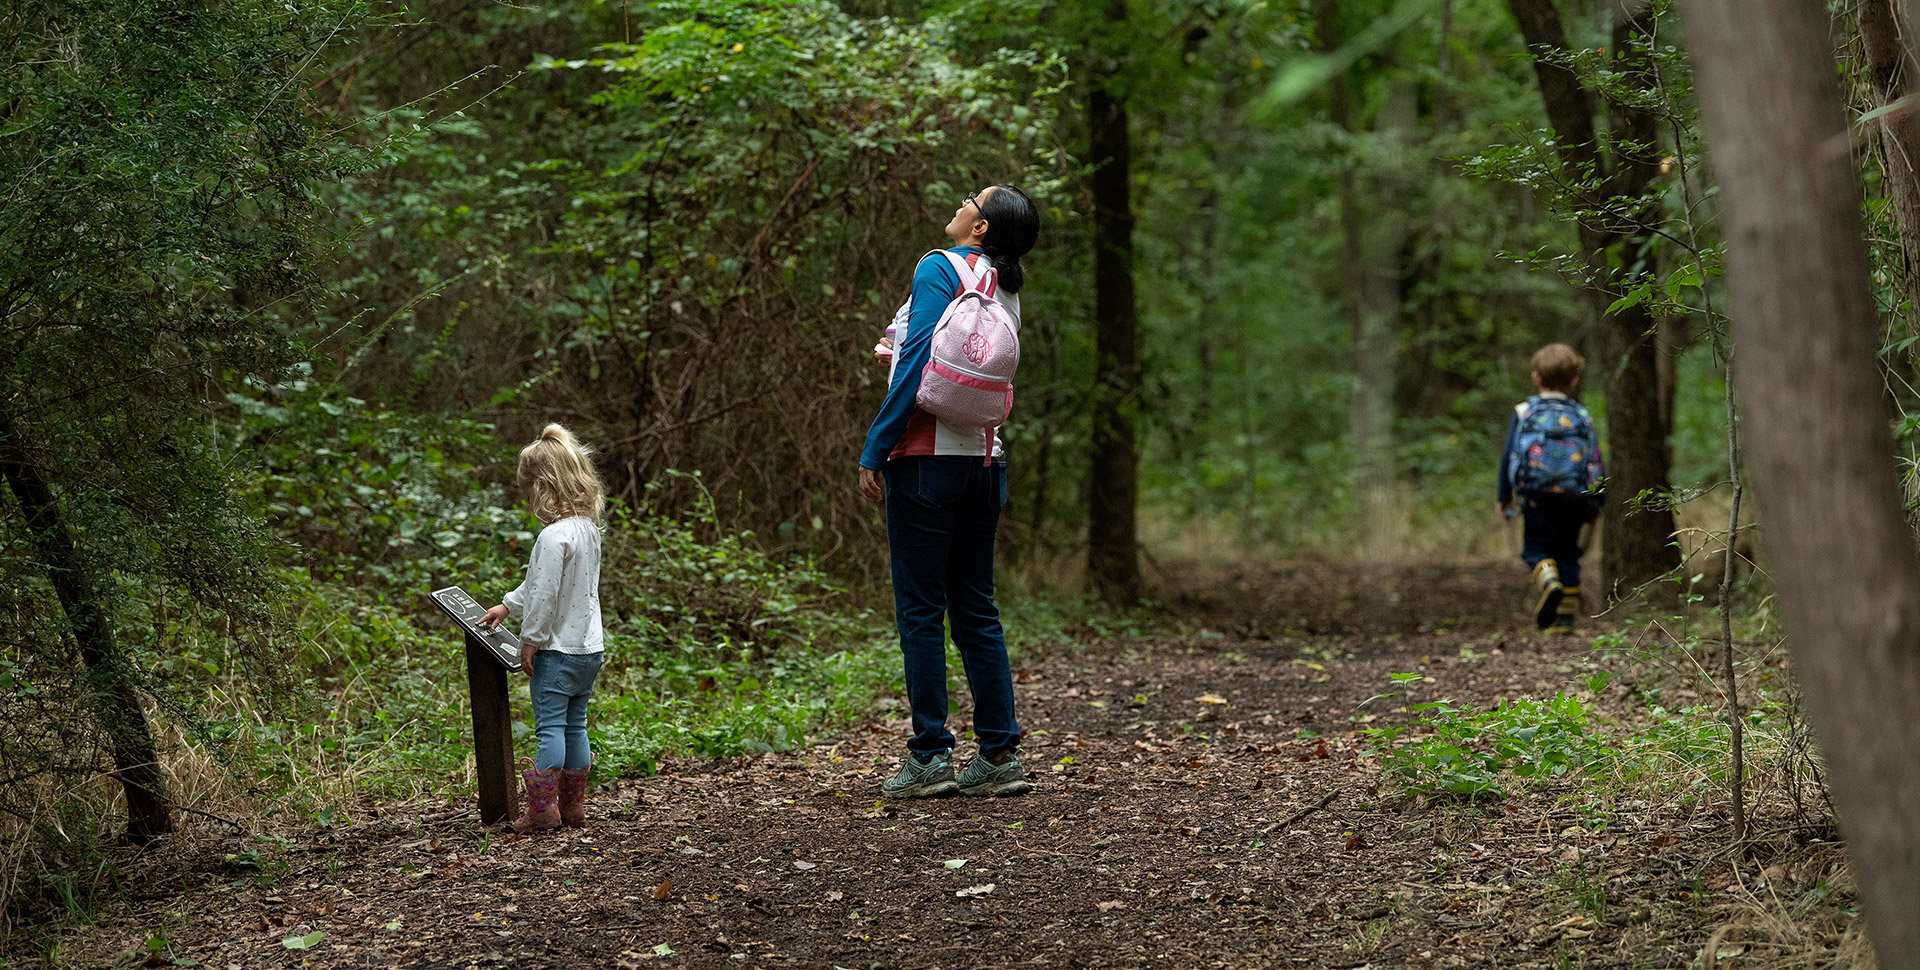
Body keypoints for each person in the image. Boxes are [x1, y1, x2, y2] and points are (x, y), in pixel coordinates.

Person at [858, 185, 1039, 798]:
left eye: (971, 198)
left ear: (981, 226)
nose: (959, 202)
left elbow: (914, 362)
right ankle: (998, 753)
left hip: (925, 462)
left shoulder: (939, 265)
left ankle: (931, 755)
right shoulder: (1008, 286)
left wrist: (875, 446)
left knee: (919, 611)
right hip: (987, 464)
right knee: (976, 609)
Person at [481, 424, 607, 831]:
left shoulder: (553, 536)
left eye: (528, 489)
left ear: (543, 486)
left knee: (551, 727)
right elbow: (542, 583)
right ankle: (572, 808)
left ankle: (542, 811)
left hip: (555, 652)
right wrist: (507, 604)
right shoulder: (587, 529)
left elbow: (545, 596)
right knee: (576, 724)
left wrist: (529, 641)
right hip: (588, 650)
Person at [1497, 343, 1605, 630]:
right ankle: (1565, 621)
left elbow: (1508, 455)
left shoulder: (1523, 412)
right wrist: (1597, 503)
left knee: (1534, 550)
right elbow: (1595, 460)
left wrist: (1503, 497)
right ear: (1573, 381)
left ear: (1535, 378)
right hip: (1574, 498)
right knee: (1569, 554)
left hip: (1535, 496)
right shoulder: (1582, 415)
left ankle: (1548, 579)